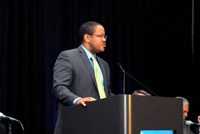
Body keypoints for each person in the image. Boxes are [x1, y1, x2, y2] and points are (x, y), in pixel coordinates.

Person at [53, 21, 114, 134]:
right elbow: (59, 88)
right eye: (100, 36)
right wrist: (77, 100)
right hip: (76, 124)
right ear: (87, 37)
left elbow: (106, 94)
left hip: (100, 125)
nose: (104, 39)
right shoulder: (68, 57)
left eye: (105, 36)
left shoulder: (104, 65)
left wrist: (125, 101)